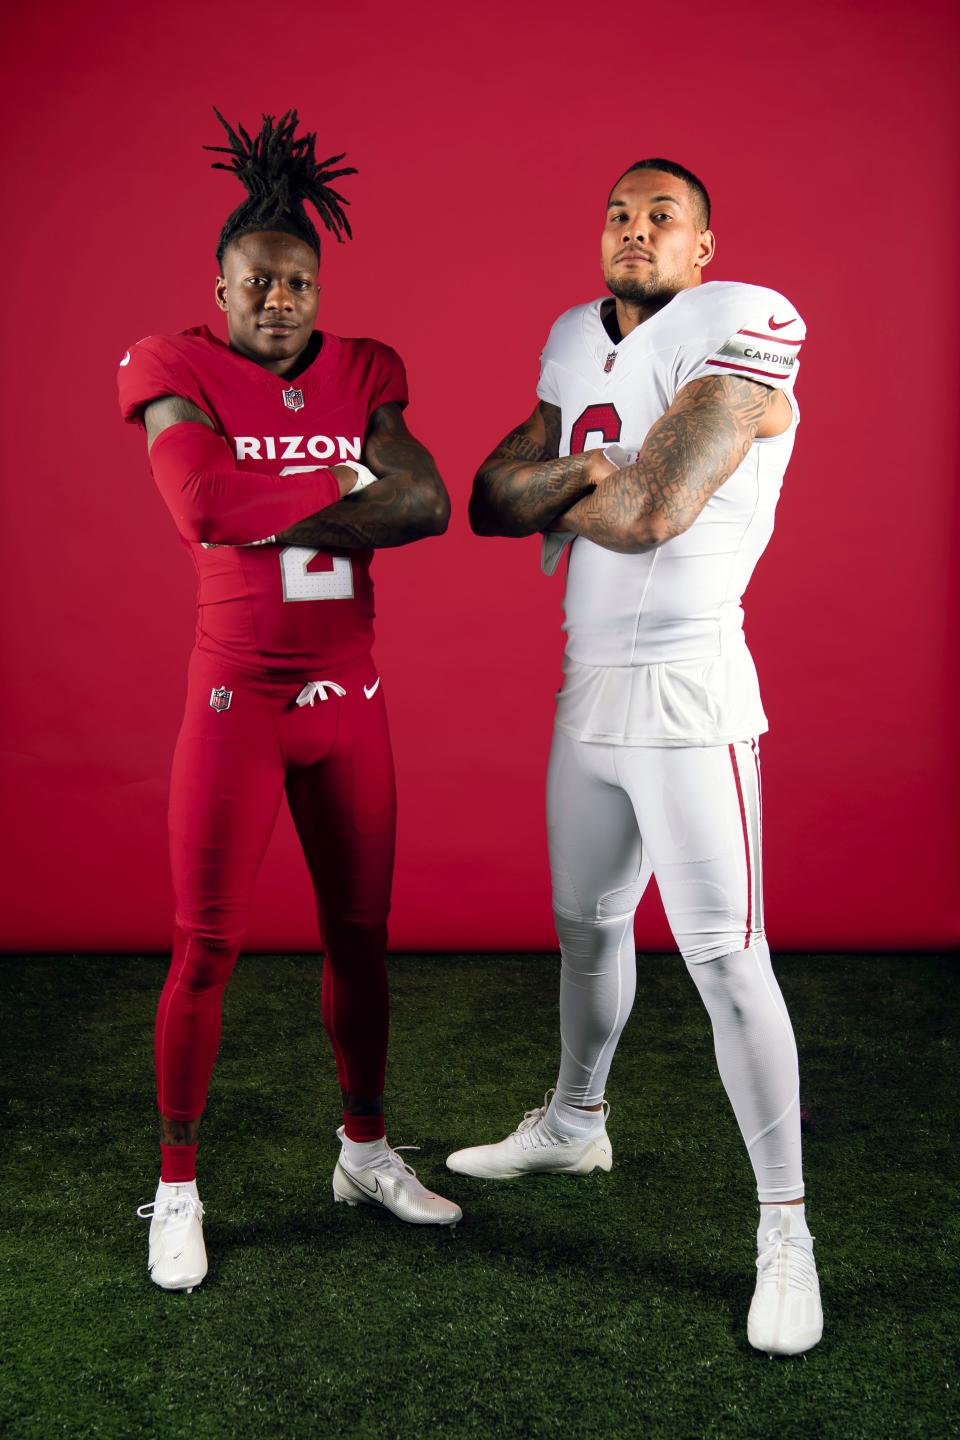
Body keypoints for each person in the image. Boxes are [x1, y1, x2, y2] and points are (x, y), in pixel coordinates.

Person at [450, 159, 822, 1355]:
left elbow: (658, 511)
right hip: (587, 687)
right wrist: (589, 478)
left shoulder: (747, 326)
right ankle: (574, 1119)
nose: (636, 230)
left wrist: (562, 492)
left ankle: (786, 1231)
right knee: (586, 927)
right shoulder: (575, 337)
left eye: (664, 217)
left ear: (705, 250)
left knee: (726, 958)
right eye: (619, 212)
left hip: (690, 689)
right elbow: (483, 498)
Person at [118, 109, 461, 1293]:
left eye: (299, 282)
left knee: (362, 938)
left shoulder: (367, 366)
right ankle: (174, 1190)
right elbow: (202, 508)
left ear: (322, 288)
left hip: (349, 695)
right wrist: (341, 477)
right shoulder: (169, 366)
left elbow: (425, 506)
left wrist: (290, 487)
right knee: (206, 945)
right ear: (218, 285)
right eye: (259, 281)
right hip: (239, 698)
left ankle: (364, 1151)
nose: (281, 300)